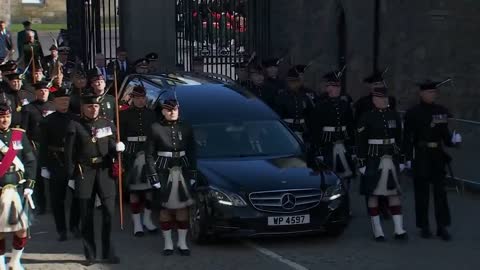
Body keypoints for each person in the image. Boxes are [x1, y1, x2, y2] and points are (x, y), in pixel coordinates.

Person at [64, 94, 125, 264]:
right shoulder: (75, 125)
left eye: (96, 106)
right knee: (86, 215)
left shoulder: (106, 123)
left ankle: (108, 252)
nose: (93, 109)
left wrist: (117, 148)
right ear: (83, 108)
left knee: (108, 214)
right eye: (90, 106)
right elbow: (69, 154)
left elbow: (112, 145)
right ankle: (89, 253)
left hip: (104, 171)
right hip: (84, 171)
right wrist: (70, 176)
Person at [403, 80, 461, 241]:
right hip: (421, 154)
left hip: (437, 155)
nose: (432, 95)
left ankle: (442, 226)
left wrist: (453, 141)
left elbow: (445, 135)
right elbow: (407, 138)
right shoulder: (413, 113)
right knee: (421, 193)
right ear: (421, 94)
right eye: (429, 92)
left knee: (440, 193)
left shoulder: (441, 111)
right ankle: (424, 226)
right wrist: (406, 157)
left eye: (434, 92)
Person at [145, 94, 197, 256]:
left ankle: (182, 243)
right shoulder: (155, 128)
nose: (173, 112)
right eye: (169, 110)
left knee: (182, 208)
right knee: (165, 208)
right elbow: (149, 155)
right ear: (163, 111)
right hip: (163, 169)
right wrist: (153, 176)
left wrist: (193, 172)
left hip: (182, 168)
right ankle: (168, 243)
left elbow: (192, 151)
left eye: (175, 109)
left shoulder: (186, 126)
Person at [356, 86, 407, 241]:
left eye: (385, 98)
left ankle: (399, 229)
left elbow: (400, 138)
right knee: (373, 194)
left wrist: (403, 158)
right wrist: (362, 162)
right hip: (373, 158)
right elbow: (361, 141)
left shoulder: (394, 116)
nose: (384, 100)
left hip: (391, 157)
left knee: (394, 193)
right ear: (374, 99)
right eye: (380, 98)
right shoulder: (366, 117)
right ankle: (377, 230)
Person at [39, 87, 81, 241]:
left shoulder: (76, 119)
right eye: (61, 100)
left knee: (77, 196)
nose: (64, 103)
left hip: (75, 162)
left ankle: (74, 225)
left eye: (66, 100)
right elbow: (43, 145)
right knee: (58, 199)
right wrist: (43, 165)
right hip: (56, 161)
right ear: (54, 102)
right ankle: (61, 229)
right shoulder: (47, 121)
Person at [0, 103, 36, 270]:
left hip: (18, 188)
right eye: (1, 117)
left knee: (22, 229)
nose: (4, 120)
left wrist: (30, 184)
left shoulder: (19, 136)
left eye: (7, 116)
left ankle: (15, 261)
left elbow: (30, 161)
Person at [119, 86, 158, 236]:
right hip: (131, 152)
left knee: (149, 189)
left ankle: (147, 219)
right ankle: (137, 223)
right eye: (137, 98)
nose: (140, 100)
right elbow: (120, 135)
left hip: (148, 151)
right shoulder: (124, 115)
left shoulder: (152, 114)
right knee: (135, 190)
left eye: (142, 98)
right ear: (133, 98)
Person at [311, 72, 355, 180]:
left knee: (347, 175)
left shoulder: (345, 105)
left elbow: (350, 126)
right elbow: (316, 129)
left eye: (338, 86)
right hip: (327, 143)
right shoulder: (321, 106)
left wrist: (353, 147)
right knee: (328, 173)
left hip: (343, 140)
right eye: (334, 86)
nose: (337, 89)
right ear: (328, 88)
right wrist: (318, 150)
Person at [21, 81, 56, 214]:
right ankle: (41, 204)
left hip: (52, 146)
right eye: (41, 90)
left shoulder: (53, 106)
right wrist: (28, 147)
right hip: (36, 145)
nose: (43, 92)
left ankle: (55, 203)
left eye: (46, 90)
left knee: (53, 176)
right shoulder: (28, 108)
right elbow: (24, 130)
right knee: (38, 178)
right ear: (36, 92)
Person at [275, 67, 313, 142]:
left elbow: (310, 114)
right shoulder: (282, 96)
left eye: (296, 81)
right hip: (288, 129)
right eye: (291, 82)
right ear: (287, 82)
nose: (294, 84)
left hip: (302, 129)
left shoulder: (304, 96)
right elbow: (278, 115)